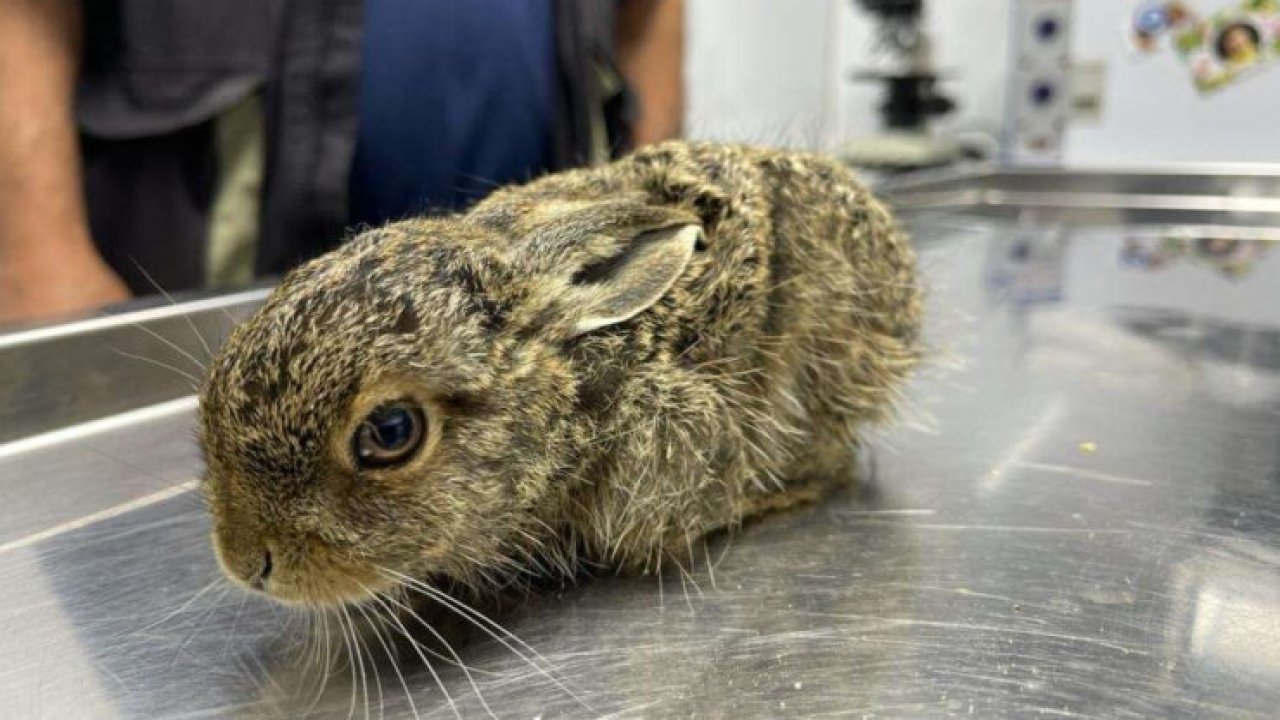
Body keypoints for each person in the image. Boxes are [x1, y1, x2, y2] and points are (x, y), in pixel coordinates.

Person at [0, 0, 684, 326]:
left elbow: (648, 14)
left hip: (517, 319)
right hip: (196, 283)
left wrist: (643, 214)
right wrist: (37, 260)